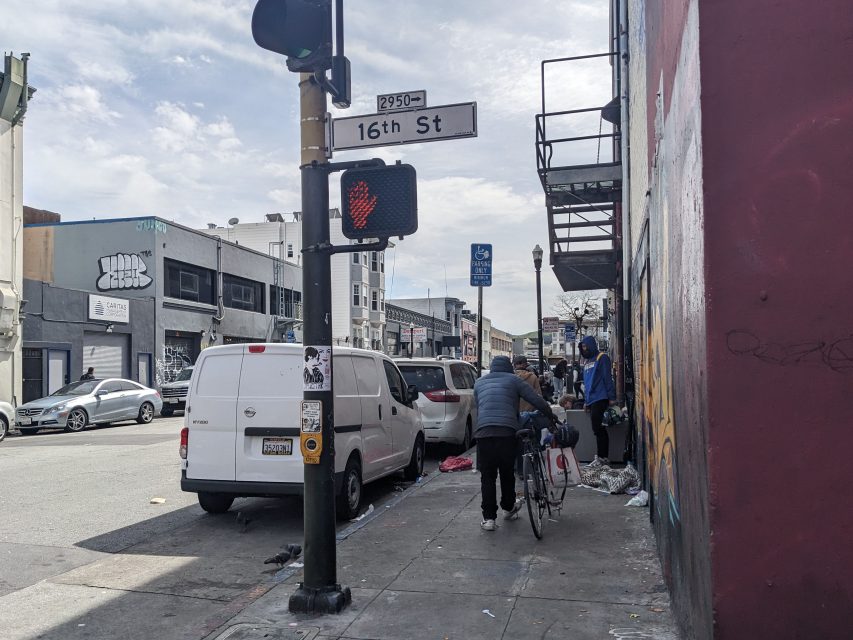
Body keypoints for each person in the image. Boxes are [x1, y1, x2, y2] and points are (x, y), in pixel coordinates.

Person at [473, 355, 556, 532]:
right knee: (506, 472)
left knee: (487, 476)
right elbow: (536, 400)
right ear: (509, 367)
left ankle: (489, 519)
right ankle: (508, 507)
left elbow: (480, 408)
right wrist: (551, 415)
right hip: (507, 432)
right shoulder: (514, 380)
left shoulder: (479, 383)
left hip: (483, 433)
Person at [579, 336, 616, 466]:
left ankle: (603, 457)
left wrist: (611, 397)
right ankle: (601, 456)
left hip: (601, 397)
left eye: (585, 346)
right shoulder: (587, 361)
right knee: (597, 428)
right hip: (592, 399)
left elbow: (607, 377)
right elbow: (587, 383)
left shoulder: (602, 358)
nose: (584, 349)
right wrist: (586, 401)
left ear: (591, 345)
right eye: (582, 347)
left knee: (598, 428)